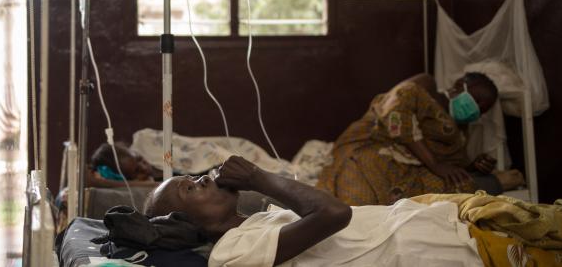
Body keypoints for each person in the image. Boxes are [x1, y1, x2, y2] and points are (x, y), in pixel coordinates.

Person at [144, 156, 485, 266]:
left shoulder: (257, 222)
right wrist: (257, 177)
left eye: (194, 177)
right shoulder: (231, 253)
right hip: (435, 251)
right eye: (190, 188)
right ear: (185, 222)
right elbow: (334, 214)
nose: (203, 178)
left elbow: (316, 207)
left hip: (438, 224)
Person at [316, 72, 525, 206]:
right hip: (373, 146)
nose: (477, 109)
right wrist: (434, 164)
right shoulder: (427, 86)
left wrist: (472, 166)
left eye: (483, 109)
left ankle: (499, 181)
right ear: (460, 85)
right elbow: (394, 111)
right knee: (358, 198)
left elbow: (450, 166)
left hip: (408, 169)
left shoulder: (461, 131)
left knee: (458, 187)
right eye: (477, 100)